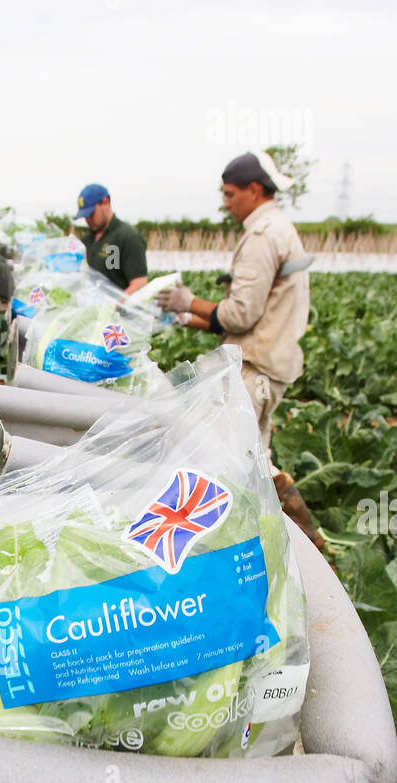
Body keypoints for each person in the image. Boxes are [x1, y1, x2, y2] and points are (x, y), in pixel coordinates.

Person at [156, 151, 322, 546]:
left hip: (253, 369)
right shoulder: (278, 227)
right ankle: (309, 543)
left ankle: (264, 549)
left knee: (224, 463)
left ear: (253, 189)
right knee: (256, 460)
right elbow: (255, 313)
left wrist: (189, 301)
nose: (226, 202)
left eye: (230, 194)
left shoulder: (263, 235)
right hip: (269, 363)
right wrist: (191, 319)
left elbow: (240, 315)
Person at [74, 183, 148, 294]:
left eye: (91, 214)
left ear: (106, 203)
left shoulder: (128, 237)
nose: (88, 220)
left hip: (118, 310)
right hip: (90, 307)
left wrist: (113, 307)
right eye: (85, 216)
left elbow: (139, 283)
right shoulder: (86, 240)